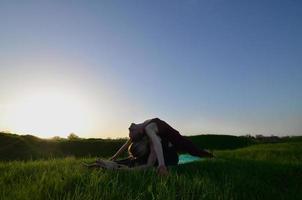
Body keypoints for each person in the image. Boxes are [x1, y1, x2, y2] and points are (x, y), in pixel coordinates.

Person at [110, 118, 214, 175]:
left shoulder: (147, 127)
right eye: (130, 132)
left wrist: (161, 165)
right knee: (194, 151)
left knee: (195, 151)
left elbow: (156, 144)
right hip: (173, 144)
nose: (129, 129)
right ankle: (209, 154)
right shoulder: (146, 130)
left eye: (130, 132)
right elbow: (156, 143)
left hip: (175, 141)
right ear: (140, 133)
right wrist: (161, 165)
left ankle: (209, 155)